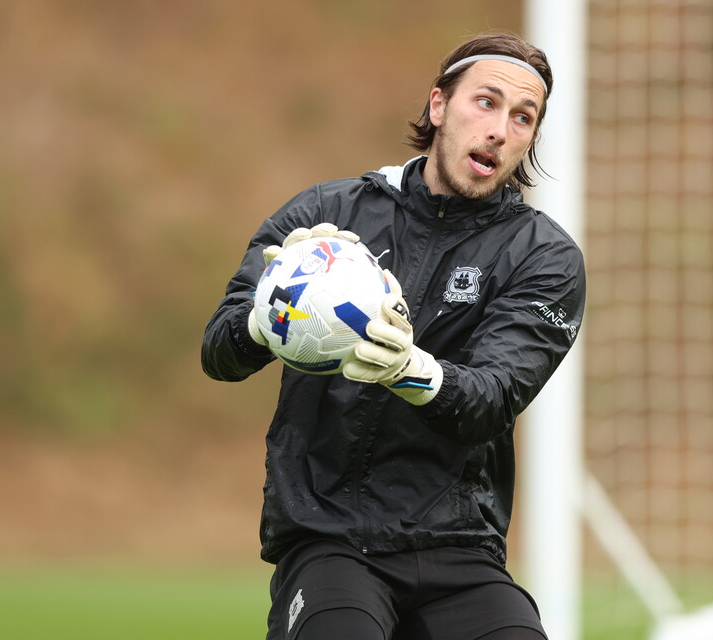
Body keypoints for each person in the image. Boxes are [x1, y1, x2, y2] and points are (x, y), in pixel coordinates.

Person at [202, 31, 585, 640]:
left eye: (522, 117)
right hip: (330, 541)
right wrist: (266, 313)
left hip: (459, 549)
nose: (500, 129)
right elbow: (218, 351)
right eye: (485, 103)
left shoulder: (543, 256)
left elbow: (490, 398)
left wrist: (409, 368)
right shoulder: (322, 218)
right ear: (438, 107)